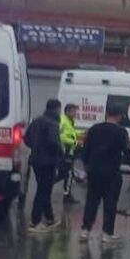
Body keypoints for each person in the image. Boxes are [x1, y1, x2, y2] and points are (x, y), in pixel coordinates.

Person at [79, 104, 130, 244]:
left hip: (94, 172)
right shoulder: (121, 132)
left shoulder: (94, 129)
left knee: (91, 201)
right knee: (110, 203)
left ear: (107, 114)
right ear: (120, 116)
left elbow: (85, 149)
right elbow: (128, 151)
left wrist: (86, 167)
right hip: (112, 173)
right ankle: (107, 233)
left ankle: (85, 230)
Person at [24, 99, 63, 233]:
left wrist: (36, 148)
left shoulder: (36, 121)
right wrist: (59, 153)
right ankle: (35, 221)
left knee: (44, 189)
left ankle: (49, 218)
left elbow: (26, 138)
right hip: (48, 161)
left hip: (36, 160)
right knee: (43, 191)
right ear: (57, 109)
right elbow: (53, 141)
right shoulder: (53, 123)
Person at [59, 103, 80, 204]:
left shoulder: (69, 121)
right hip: (65, 151)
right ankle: (66, 196)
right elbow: (61, 136)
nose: (75, 113)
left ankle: (67, 194)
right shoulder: (63, 121)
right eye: (73, 111)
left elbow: (71, 133)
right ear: (67, 111)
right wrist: (74, 142)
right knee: (66, 173)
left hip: (69, 151)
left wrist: (81, 134)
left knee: (67, 174)